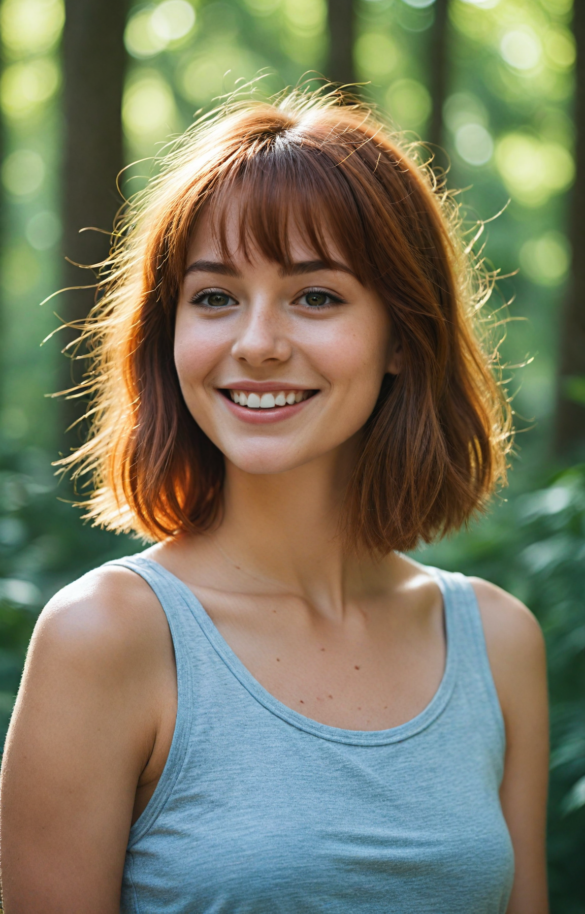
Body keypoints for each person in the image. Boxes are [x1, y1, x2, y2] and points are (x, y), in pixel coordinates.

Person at [0, 91, 549, 914]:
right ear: (170, 332)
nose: (256, 342)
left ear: (402, 336)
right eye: (215, 297)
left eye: (316, 296)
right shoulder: (106, 636)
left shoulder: (498, 641)